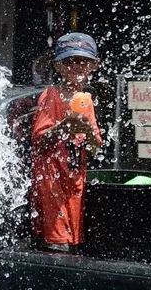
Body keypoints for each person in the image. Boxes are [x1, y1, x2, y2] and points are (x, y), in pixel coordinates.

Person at [29, 32, 103, 252]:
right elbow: (38, 141)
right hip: (52, 183)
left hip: (74, 184)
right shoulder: (52, 95)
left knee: (72, 244)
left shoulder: (85, 101)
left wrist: (88, 132)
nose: (76, 68)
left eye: (83, 62)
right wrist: (63, 127)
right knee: (57, 245)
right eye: (70, 62)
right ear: (58, 67)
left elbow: (95, 146)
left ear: (94, 66)